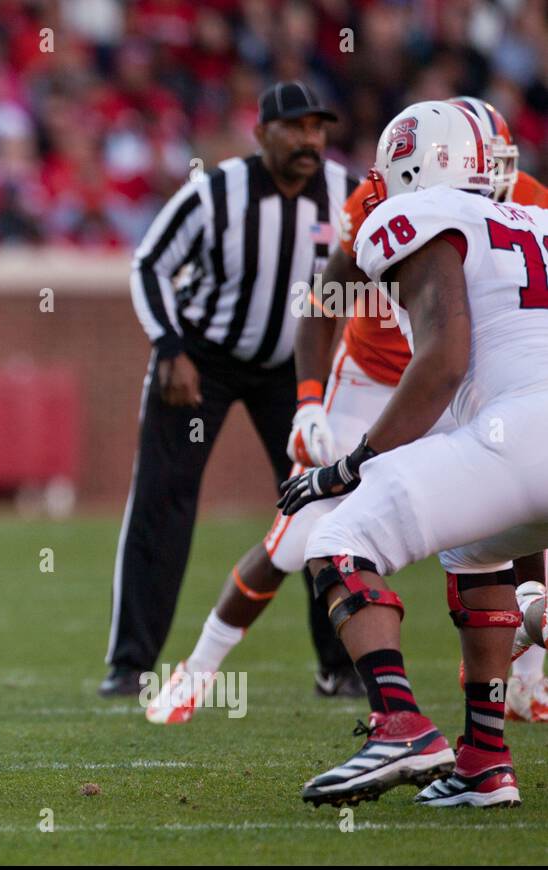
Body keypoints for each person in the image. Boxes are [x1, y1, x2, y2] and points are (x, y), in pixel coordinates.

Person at [145, 96, 548, 724]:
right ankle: (198, 670)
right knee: (301, 533)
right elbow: (324, 303)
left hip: (469, 385)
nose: (494, 174)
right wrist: (309, 403)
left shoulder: (527, 199)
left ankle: (515, 679)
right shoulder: (385, 202)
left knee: (504, 527)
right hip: (377, 381)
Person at [285, 101, 548, 808]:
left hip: (520, 436)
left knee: (337, 533)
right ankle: (485, 762)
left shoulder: (419, 216)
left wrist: (352, 462)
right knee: (477, 553)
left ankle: (400, 724)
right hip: (528, 437)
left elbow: (443, 362)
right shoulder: (539, 219)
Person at [102, 81, 357, 697]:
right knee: (163, 502)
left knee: (323, 507)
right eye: (295, 128)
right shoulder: (217, 193)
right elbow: (151, 263)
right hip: (203, 360)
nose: (309, 140)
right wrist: (170, 348)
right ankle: (132, 665)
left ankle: (340, 665)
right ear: (262, 133)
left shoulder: (348, 195)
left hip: (295, 372)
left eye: (318, 128)